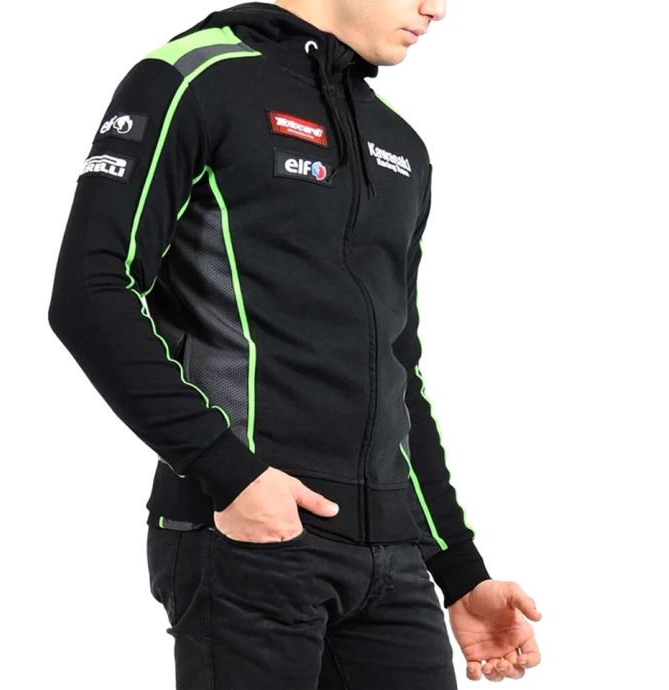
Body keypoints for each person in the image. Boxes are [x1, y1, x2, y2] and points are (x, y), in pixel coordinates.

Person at [48, 1, 542, 687]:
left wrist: (458, 570)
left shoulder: (396, 141)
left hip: (391, 557)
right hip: (247, 537)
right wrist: (229, 473)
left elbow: (398, 369)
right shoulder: (194, 78)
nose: (437, 9)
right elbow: (91, 291)